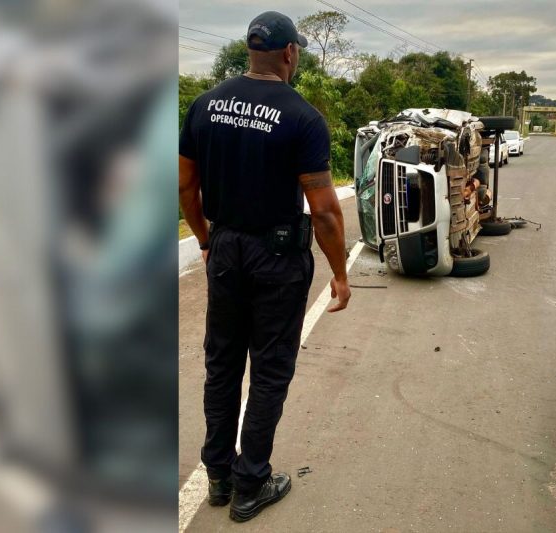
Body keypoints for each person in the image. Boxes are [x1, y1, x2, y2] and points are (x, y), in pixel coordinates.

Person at [178, 10, 351, 523]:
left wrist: (208, 239)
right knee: (270, 371)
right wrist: (340, 275)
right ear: (291, 53)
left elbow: (186, 185)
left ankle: (218, 475)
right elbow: (323, 210)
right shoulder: (302, 117)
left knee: (223, 364)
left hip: (227, 251)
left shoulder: (205, 105)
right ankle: (251, 483)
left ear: (250, 49)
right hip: (277, 258)